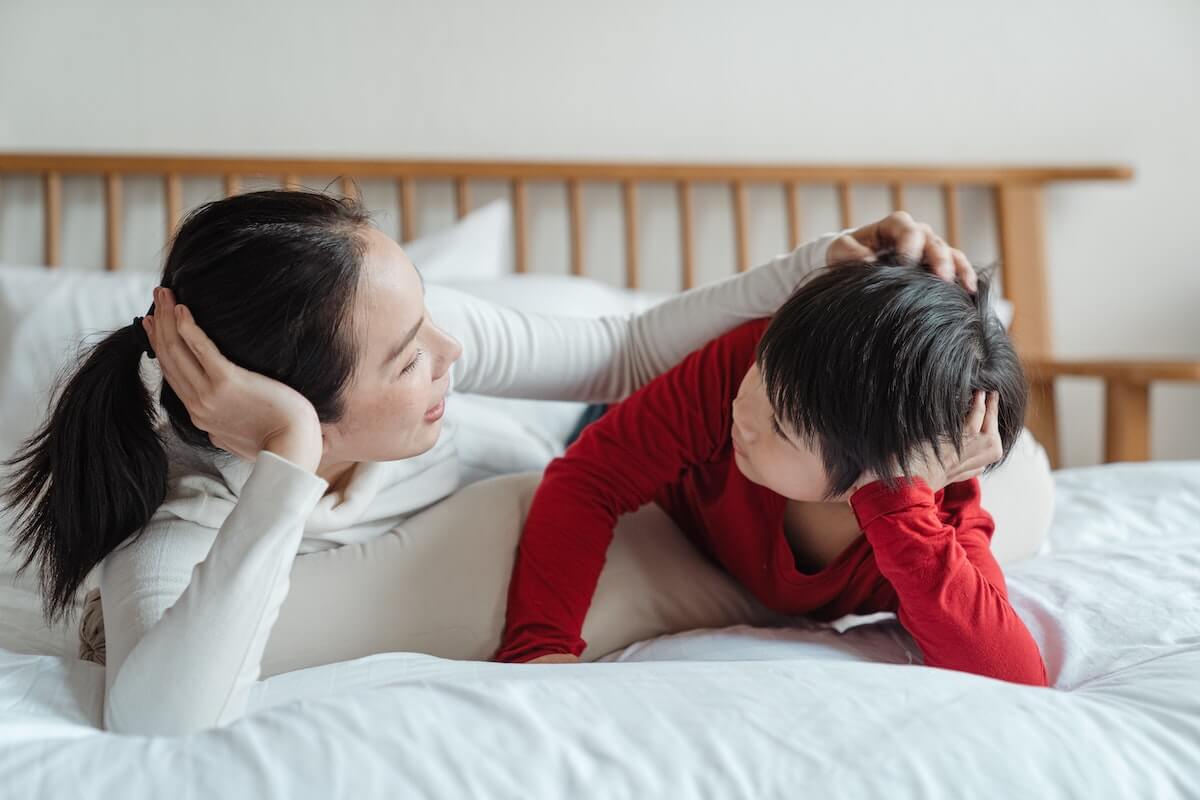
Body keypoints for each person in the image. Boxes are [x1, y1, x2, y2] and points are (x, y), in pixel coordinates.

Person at [1, 189, 979, 735]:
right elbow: (158, 721)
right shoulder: (176, 529)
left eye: (430, 311)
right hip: (586, 484)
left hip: (609, 445)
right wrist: (290, 460)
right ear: (299, 408)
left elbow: (627, 351)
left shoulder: (419, 338)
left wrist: (819, 269)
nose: (453, 352)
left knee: (981, 472)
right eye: (408, 356)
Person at [494, 261, 1048, 687]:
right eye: (762, 371)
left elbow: (1017, 678)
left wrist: (899, 504)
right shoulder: (744, 370)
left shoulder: (928, 514)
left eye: (781, 427)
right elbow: (590, 477)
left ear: (875, 477)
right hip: (628, 423)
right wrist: (539, 649)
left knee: (1030, 479)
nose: (746, 409)